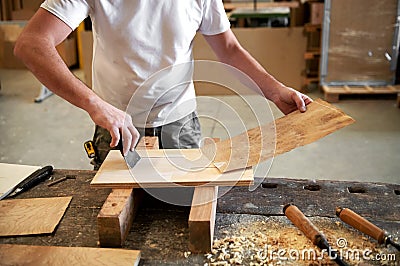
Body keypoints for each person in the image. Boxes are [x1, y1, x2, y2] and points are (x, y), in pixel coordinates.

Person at [14, 0, 312, 169]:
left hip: (180, 124)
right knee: (115, 216)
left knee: (182, 212)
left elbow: (229, 49)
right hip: (117, 126)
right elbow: (31, 44)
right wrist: (95, 104)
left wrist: (275, 91)